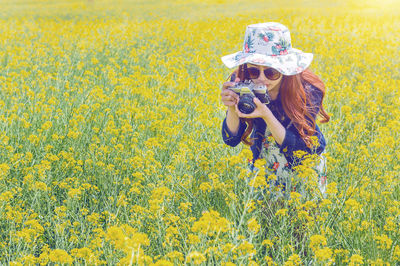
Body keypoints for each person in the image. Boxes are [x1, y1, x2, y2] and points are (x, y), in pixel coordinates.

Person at [220, 22, 330, 199]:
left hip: (304, 164)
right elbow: (231, 139)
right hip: (265, 162)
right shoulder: (243, 81)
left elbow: (300, 155)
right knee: (264, 220)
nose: (262, 79)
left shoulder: (307, 90)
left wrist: (266, 114)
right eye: (254, 71)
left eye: (271, 72)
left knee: (303, 222)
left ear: (284, 69)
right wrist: (232, 108)